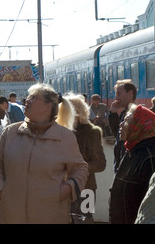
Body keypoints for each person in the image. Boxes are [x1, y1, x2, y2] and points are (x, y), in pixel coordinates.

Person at [0, 83, 88, 224]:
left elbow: (80, 169)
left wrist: (64, 191)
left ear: (47, 106)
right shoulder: (11, 132)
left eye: (33, 97)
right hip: (11, 216)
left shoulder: (65, 137)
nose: (26, 100)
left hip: (51, 216)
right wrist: (1, 190)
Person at [109, 104, 155, 224]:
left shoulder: (151, 157)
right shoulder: (134, 149)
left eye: (126, 121)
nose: (121, 124)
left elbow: (151, 208)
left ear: (139, 125)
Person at [66, 93, 107, 222]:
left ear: (77, 112)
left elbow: (100, 163)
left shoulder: (91, 132)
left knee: (86, 220)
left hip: (86, 188)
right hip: (65, 189)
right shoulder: (62, 132)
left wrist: (76, 169)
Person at [108, 79, 137, 173]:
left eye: (119, 94)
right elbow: (118, 135)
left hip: (128, 170)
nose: (116, 97)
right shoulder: (125, 114)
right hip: (121, 168)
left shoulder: (136, 115)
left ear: (130, 94)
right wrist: (113, 113)